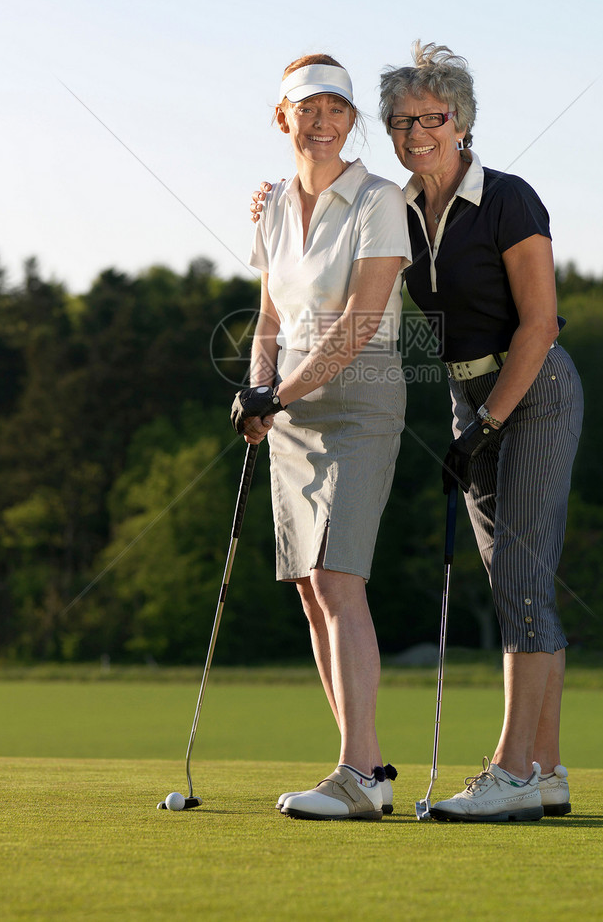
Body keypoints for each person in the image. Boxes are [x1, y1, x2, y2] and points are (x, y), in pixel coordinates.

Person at [378, 41, 583, 822]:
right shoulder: (395, 210)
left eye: (433, 116)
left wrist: (486, 423)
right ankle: (550, 768)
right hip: (469, 404)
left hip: (533, 393)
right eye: (402, 120)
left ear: (461, 121)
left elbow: (539, 325)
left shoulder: (509, 199)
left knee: (523, 584)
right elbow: (339, 224)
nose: (417, 131)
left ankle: (511, 770)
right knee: (515, 586)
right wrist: (271, 200)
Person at [230, 53, 411, 821]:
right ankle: (361, 765)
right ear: (285, 118)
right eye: (309, 108)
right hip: (292, 413)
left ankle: (359, 772)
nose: (325, 119)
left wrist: (279, 390)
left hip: (362, 401)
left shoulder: (378, 200)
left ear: (350, 120)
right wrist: (256, 390)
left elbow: (361, 323)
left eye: (338, 107)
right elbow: (269, 319)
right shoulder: (271, 207)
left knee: (340, 578)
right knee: (310, 589)